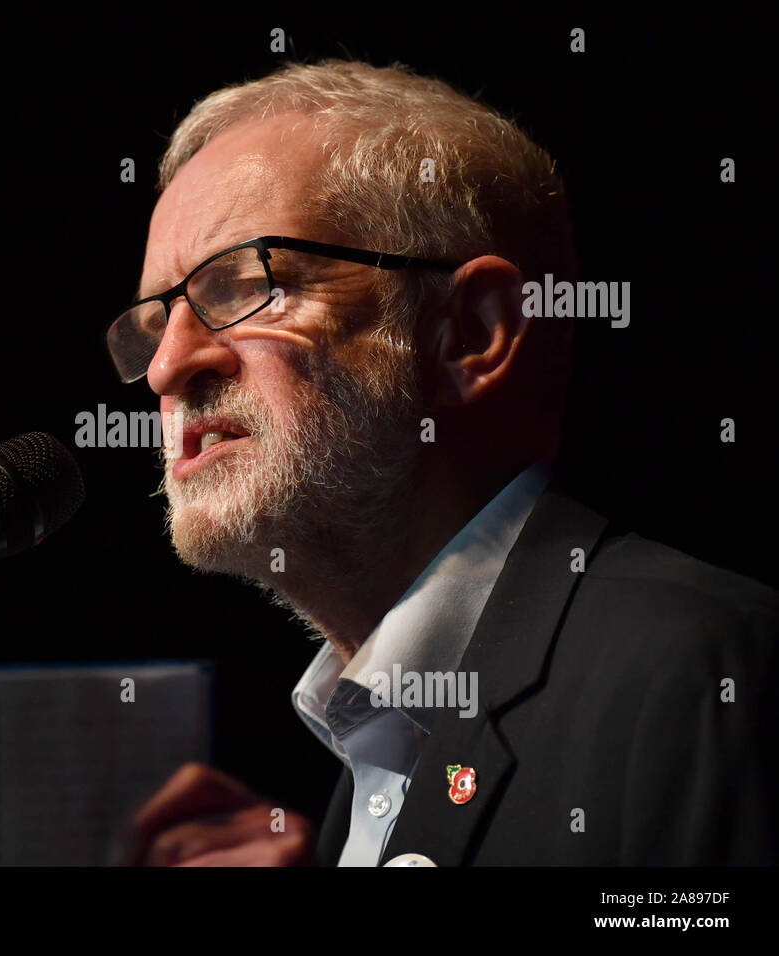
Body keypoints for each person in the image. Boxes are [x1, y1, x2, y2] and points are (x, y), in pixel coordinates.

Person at [106, 59, 779, 866]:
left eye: (246, 285)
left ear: (468, 333)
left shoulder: (703, 672)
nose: (166, 366)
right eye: (154, 322)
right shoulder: (371, 740)